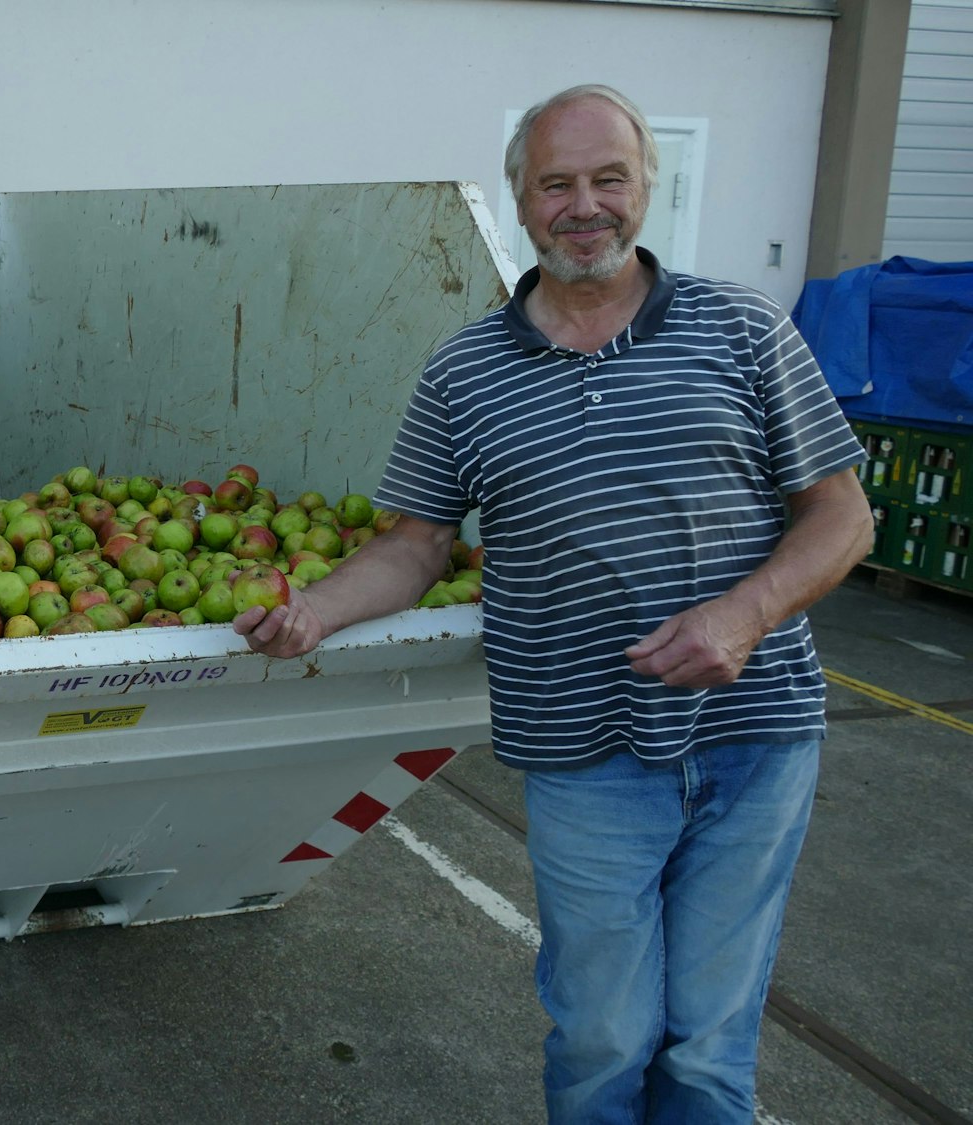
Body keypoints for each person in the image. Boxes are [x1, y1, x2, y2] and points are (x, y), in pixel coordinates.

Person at [235, 84, 873, 1123]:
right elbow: (413, 544)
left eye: (607, 179)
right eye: (556, 185)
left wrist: (743, 615)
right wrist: (311, 610)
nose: (585, 206)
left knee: (709, 1037)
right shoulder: (465, 373)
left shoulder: (740, 329)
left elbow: (840, 515)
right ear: (522, 205)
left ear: (643, 187)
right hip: (582, 747)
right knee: (601, 1033)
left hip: (753, 737)